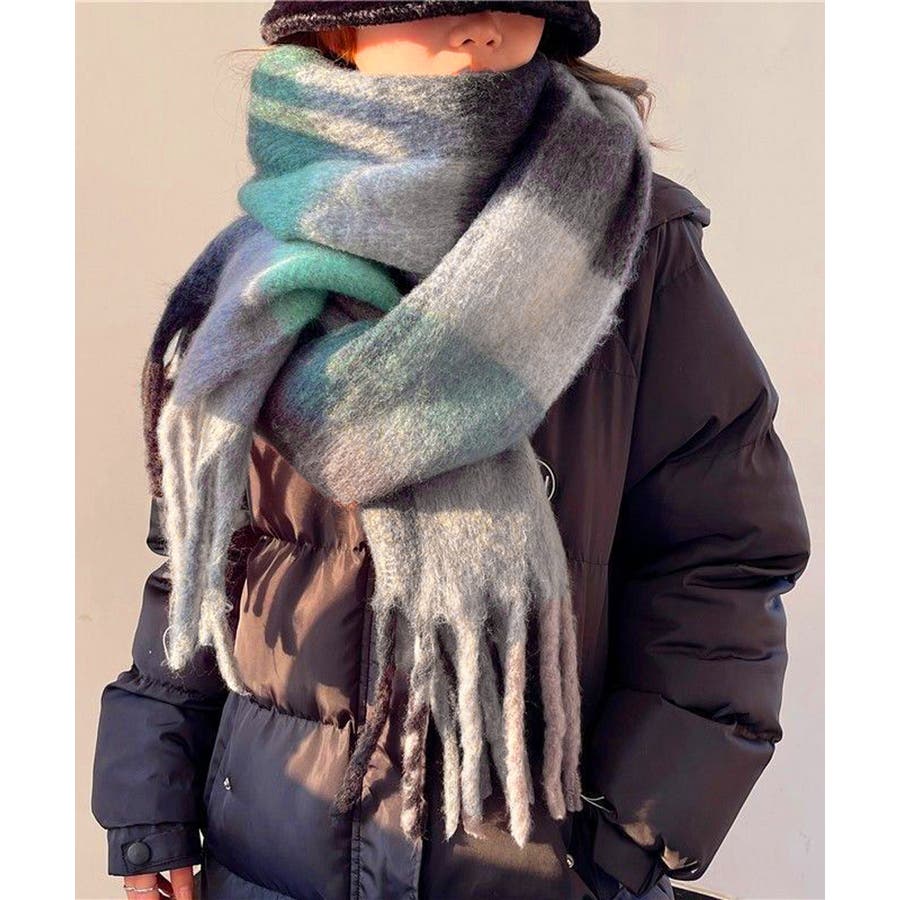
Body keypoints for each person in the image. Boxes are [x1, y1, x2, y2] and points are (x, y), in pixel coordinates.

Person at [89, 3, 812, 899]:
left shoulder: (628, 244)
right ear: (338, 28)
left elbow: (724, 549)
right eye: (432, 3)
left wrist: (634, 826)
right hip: (272, 852)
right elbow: (200, 562)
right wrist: (151, 800)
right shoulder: (267, 263)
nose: (480, 26)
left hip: (537, 867)